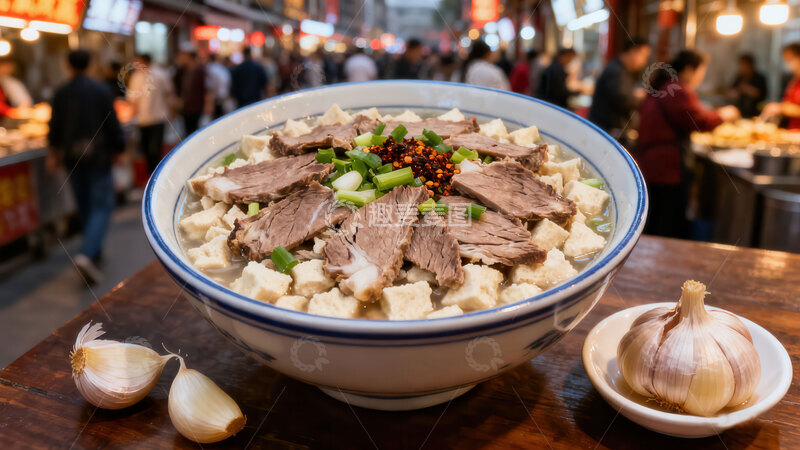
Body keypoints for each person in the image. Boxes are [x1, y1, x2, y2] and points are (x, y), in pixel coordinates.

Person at [633, 50, 740, 238]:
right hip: (666, 166)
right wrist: (724, 114)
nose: (702, 76)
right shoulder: (677, 89)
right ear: (690, 69)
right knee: (669, 220)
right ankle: (666, 258)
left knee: (654, 216)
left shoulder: (663, 86)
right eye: (702, 70)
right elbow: (699, 121)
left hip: (652, 162)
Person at [47, 50, 125, 284]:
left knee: (84, 205)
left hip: (73, 158)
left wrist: (54, 153)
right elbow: (111, 123)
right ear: (90, 64)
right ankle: (87, 254)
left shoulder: (61, 92)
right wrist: (119, 149)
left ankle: (93, 251)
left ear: (67, 65)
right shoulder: (100, 90)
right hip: (98, 157)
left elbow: (54, 127)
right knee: (102, 204)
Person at [588, 38, 651, 146]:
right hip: (607, 133)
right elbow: (622, 100)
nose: (644, 61)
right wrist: (638, 97)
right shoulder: (616, 71)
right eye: (644, 56)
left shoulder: (621, 70)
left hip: (607, 132)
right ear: (632, 51)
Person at [127, 54, 173, 174]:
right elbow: (132, 100)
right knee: (146, 148)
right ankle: (150, 173)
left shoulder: (159, 74)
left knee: (155, 148)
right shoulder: (136, 77)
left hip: (159, 117)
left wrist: (171, 113)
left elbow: (168, 94)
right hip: (142, 119)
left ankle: (157, 173)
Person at [761, 43, 800, 128]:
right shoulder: (794, 80)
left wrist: (781, 108)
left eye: (790, 59)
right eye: (786, 60)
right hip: (793, 131)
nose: (788, 64)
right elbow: (788, 103)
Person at [176, 51, 209, 136]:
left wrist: (208, 105)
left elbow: (207, 89)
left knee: (196, 132)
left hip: (197, 106)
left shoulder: (200, 71)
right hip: (186, 107)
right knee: (187, 131)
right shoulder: (182, 71)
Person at [206, 53, 231, 118]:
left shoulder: (210, 68)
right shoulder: (221, 67)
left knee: (215, 117)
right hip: (222, 95)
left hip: (215, 97)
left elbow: (210, 85)